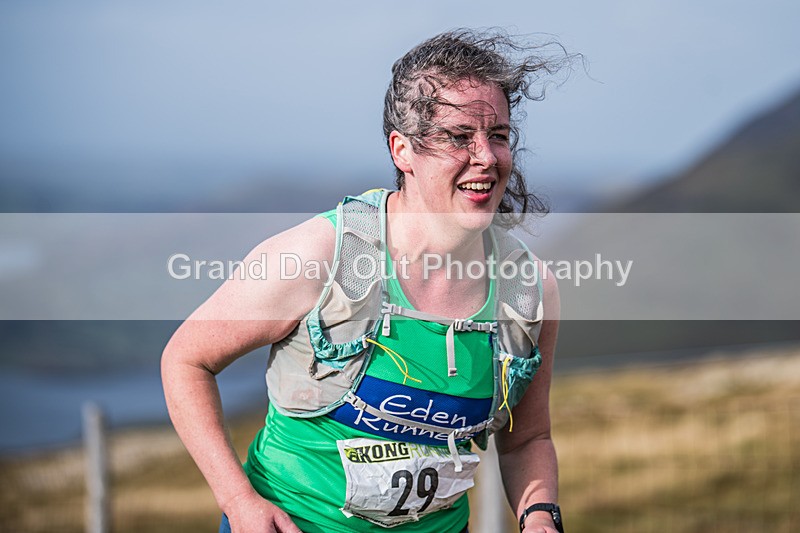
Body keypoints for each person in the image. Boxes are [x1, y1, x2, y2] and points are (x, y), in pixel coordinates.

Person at [162, 28, 565, 533]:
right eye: (459, 137)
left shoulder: (529, 291)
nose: (486, 157)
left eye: (499, 135)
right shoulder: (316, 256)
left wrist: (539, 517)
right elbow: (186, 359)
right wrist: (239, 501)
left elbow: (527, 439)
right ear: (402, 151)